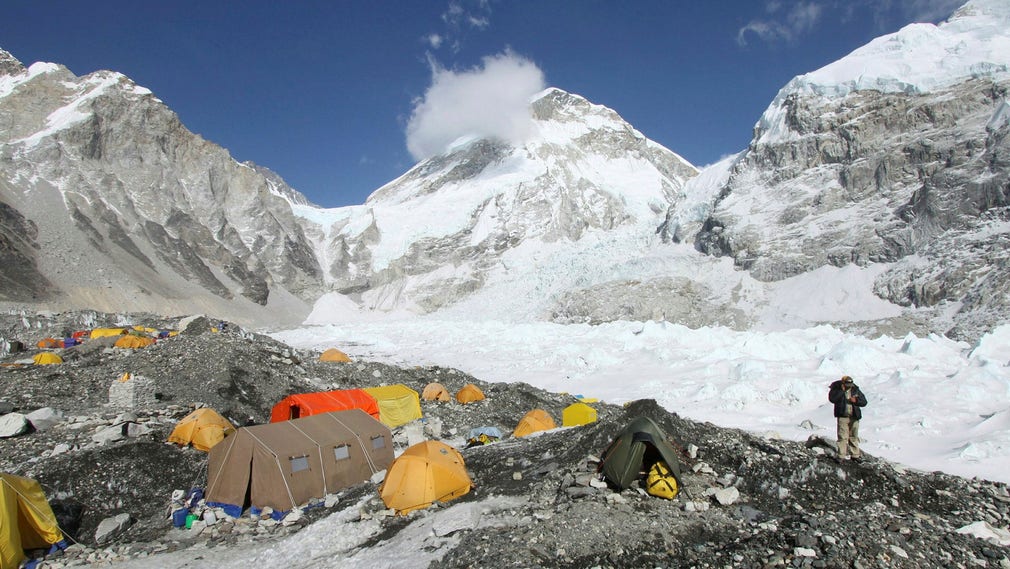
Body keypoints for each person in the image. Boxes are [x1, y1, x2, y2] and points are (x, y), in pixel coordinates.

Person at [828, 375, 867, 462]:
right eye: (847, 384)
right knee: (842, 436)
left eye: (850, 384)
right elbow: (832, 399)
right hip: (842, 415)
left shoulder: (855, 390)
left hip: (854, 416)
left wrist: (856, 401)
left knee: (854, 436)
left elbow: (864, 402)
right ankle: (841, 455)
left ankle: (855, 455)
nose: (849, 386)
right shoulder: (837, 389)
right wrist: (842, 391)